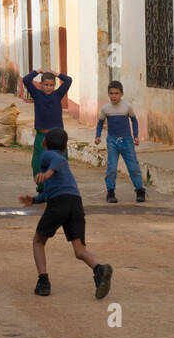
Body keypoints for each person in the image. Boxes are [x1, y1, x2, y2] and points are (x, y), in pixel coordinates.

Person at [20, 128, 112, 299]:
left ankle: (43, 281)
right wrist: (34, 200)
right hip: (75, 203)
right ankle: (99, 269)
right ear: (64, 148)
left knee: (38, 241)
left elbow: (55, 161)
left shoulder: (48, 156)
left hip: (59, 203)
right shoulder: (62, 161)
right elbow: (48, 193)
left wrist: (47, 173)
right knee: (79, 250)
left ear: (44, 143)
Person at [94, 81, 145, 203]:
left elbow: (134, 121)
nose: (114, 96)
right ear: (108, 94)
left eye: (116, 93)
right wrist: (98, 136)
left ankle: (140, 191)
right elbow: (100, 122)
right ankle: (110, 192)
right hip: (112, 141)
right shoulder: (106, 108)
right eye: (111, 93)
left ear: (121, 94)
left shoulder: (127, 107)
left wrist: (136, 136)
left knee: (133, 167)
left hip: (127, 140)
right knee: (111, 167)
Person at [23, 68, 71, 191]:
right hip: (42, 136)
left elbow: (68, 80)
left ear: (55, 85)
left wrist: (57, 74)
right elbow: (26, 80)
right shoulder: (36, 94)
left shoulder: (58, 94)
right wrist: (37, 71)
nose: (48, 87)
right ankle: (42, 187)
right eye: (46, 85)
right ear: (41, 84)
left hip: (58, 137)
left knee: (61, 162)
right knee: (37, 164)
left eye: (51, 85)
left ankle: (60, 187)